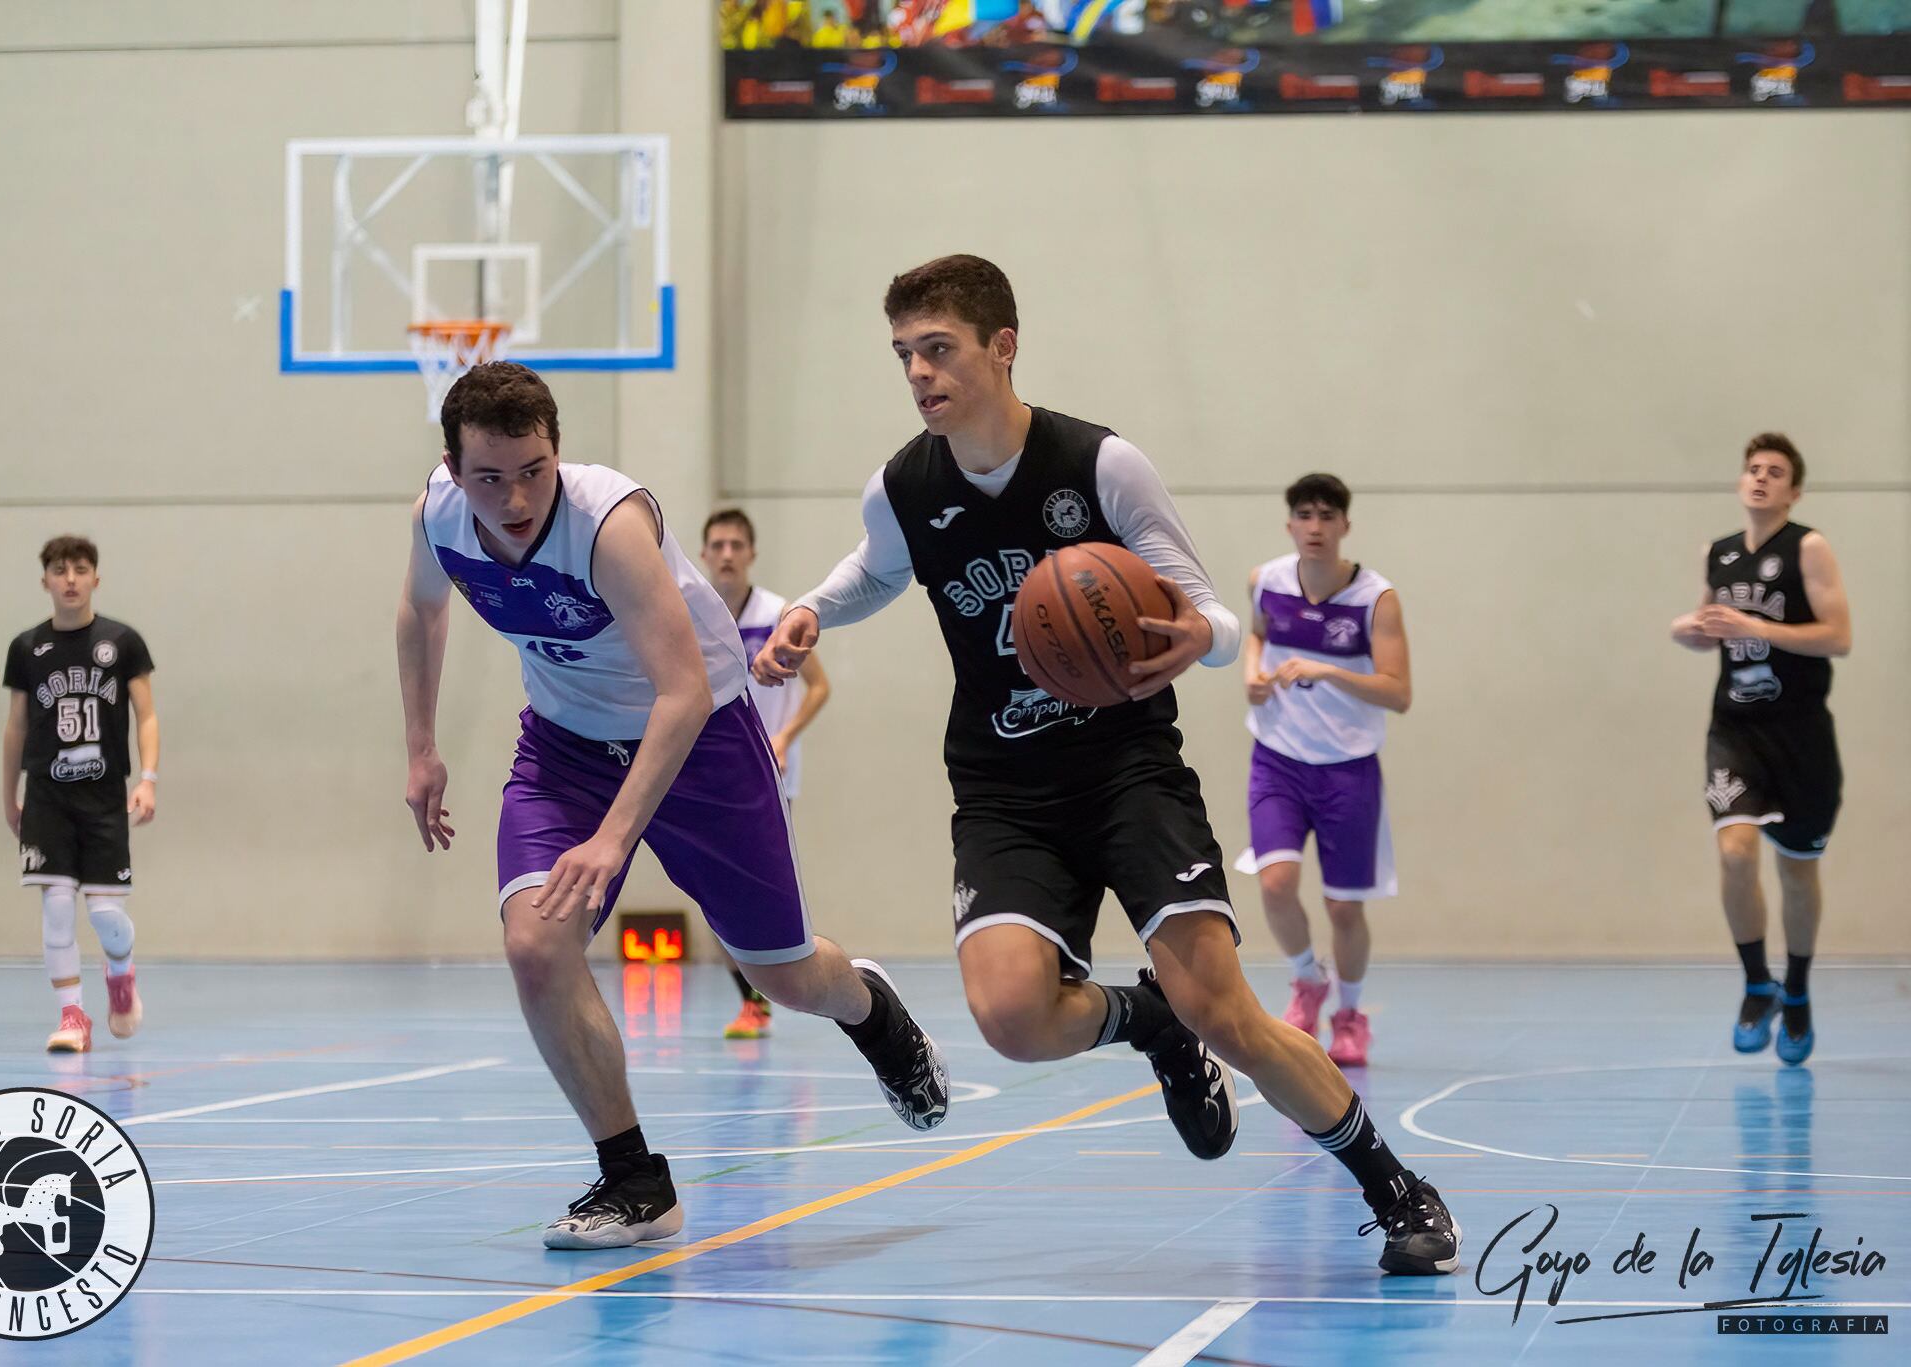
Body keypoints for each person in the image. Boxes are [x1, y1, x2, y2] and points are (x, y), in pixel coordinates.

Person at [754, 255, 1460, 1274]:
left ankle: (1395, 1186)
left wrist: (1199, 640)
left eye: (937, 349)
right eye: (904, 353)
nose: (918, 371)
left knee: (1229, 1010)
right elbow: (876, 568)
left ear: (1001, 347)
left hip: (1126, 771)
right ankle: (1144, 1021)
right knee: (1010, 1018)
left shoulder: (1099, 466)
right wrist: (814, 608)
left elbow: (1211, 613)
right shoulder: (904, 484)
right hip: (1002, 788)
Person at [397, 362, 949, 1249]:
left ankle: (872, 1010)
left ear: (559, 455)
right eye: (490, 477)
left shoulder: (607, 525)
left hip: (702, 738)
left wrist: (615, 839)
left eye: (533, 469)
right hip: (564, 747)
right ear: (455, 471)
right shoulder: (437, 516)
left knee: (782, 974)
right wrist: (421, 746)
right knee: (537, 942)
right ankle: (635, 1180)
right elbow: (422, 612)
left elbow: (684, 692)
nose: (514, 497)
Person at [1669, 433, 1851, 1066]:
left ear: (1793, 490)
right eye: (1752, 469)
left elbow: (1838, 636)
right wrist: (1689, 629)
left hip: (1800, 736)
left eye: (1775, 472)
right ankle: (1756, 983)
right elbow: (1707, 625)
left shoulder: (1809, 547)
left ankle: (1796, 992)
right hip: (1736, 730)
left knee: (1798, 873)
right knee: (1735, 852)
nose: (1761, 479)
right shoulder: (1716, 555)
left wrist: (1757, 627)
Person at [1237, 473, 1410, 1068]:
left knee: (1344, 908)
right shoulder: (1267, 582)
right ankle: (1307, 981)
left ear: (1344, 526)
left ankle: (1351, 1015)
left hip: (1348, 770)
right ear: (1290, 525)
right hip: (1278, 761)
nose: (1315, 527)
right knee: (1275, 883)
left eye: (1326, 516)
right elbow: (1257, 639)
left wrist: (1329, 670)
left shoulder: (1375, 598)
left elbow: (1398, 692)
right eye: (1305, 516)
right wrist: (1251, 676)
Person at [2, 535, 156, 1054]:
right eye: (60, 570)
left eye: (81, 569)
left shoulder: (123, 642)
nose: (70, 578)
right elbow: (16, 728)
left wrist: (148, 780)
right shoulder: (27, 648)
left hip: (104, 798)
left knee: (107, 917)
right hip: (47, 798)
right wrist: (9, 797)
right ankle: (72, 1017)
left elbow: (147, 715)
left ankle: (121, 976)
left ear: (96, 578)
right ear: (44, 579)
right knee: (59, 911)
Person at [701, 508, 835, 1039]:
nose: (728, 553)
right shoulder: (697, 614)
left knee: (759, 886)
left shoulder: (780, 612)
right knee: (713, 892)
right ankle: (753, 1000)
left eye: (737, 544)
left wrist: (782, 737)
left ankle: (776, 991)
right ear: (705, 553)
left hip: (769, 772)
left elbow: (820, 687)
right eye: (718, 544)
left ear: (751, 553)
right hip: (709, 770)